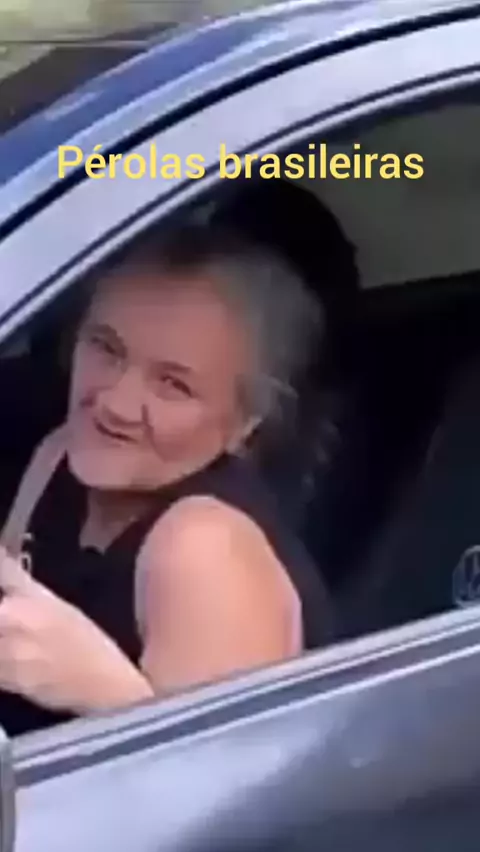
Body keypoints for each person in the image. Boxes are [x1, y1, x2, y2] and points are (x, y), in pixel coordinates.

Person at [0, 221, 332, 737]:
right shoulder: (60, 454)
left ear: (244, 424)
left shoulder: (203, 549)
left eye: (173, 385)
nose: (114, 404)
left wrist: (102, 688)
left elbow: (228, 775)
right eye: (106, 348)